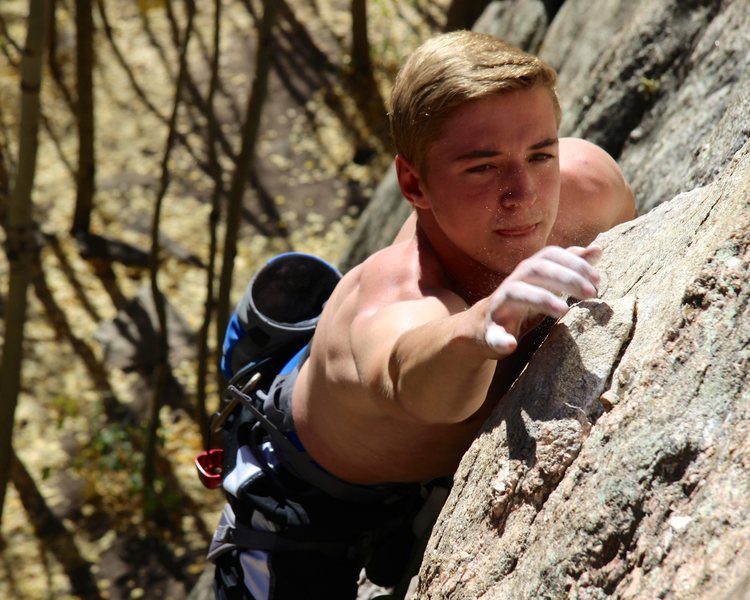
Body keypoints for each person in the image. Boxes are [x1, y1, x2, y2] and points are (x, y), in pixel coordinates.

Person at [210, 30, 637, 599]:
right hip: (306, 498)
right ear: (413, 183)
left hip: (421, 474)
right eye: (483, 168)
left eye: (540, 153)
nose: (525, 193)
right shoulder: (392, 294)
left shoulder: (590, 187)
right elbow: (417, 379)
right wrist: (483, 326)